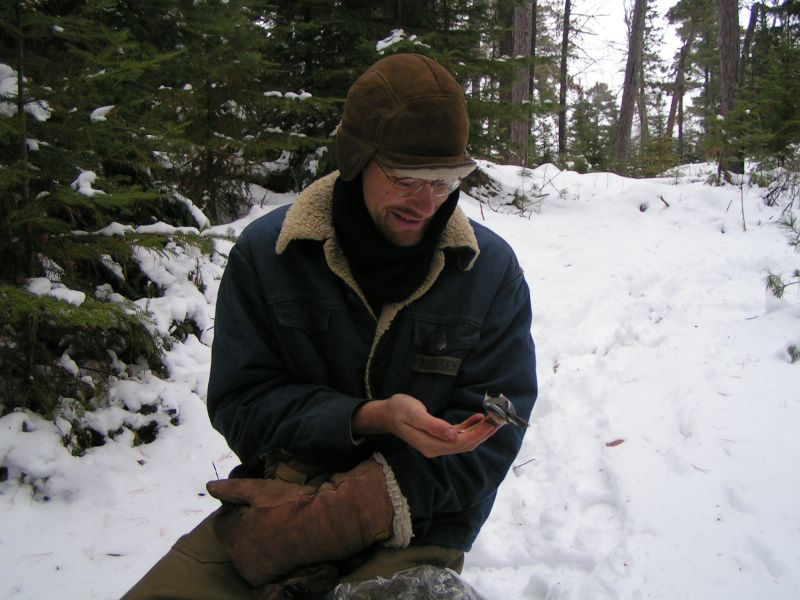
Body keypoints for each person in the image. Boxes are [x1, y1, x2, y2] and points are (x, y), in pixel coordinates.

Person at [122, 52, 537, 599]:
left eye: (446, 178)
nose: (427, 199)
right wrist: (365, 418)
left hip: (422, 517)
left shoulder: (490, 272)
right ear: (357, 157)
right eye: (407, 176)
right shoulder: (268, 255)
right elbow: (240, 403)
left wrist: (362, 504)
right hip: (279, 506)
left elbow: (492, 434)